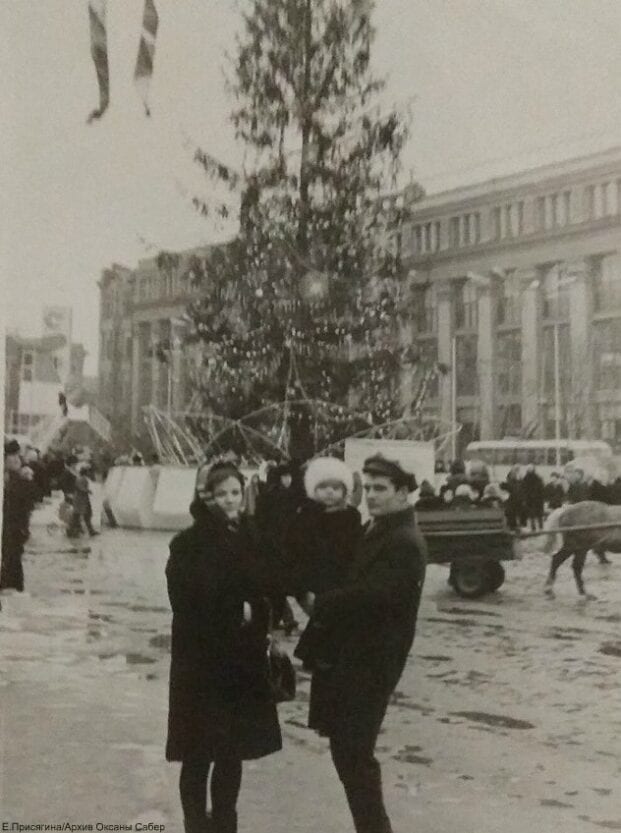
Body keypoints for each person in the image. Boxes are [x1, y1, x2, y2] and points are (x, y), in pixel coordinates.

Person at [295, 454, 427, 833]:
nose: (371, 495)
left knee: (354, 755)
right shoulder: (378, 529)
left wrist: (322, 602)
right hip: (353, 659)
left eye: (381, 489)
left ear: (403, 493)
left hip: (370, 665)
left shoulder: (403, 541)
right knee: (348, 753)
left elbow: (376, 597)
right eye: (366, 488)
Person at [165, 461, 282, 833]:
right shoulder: (189, 542)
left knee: (232, 752)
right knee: (199, 753)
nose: (230, 501)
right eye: (221, 494)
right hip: (202, 664)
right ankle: (196, 824)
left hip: (241, 662)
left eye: (235, 492)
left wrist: (264, 613)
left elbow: (266, 583)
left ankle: (226, 822)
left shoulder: (251, 534)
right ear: (207, 496)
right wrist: (236, 609)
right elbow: (185, 599)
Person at [285, 457, 361, 603]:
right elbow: (293, 551)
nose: (330, 491)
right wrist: (300, 588)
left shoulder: (351, 517)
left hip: (343, 583)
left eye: (336, 487)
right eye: (323, 487)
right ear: (313, 489)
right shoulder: (305, 515)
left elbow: (356, 552)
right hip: (311, 584)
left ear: (345, 491)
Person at [520, 464, 545, 531]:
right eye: (529, 469)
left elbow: (541, 488)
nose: (530, 470)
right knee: (534, 514)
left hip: (535, 499)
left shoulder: (536, 478)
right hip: (532, 500)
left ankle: (539, 527)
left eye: (530, 468)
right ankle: (536, 527)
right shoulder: (527, 478)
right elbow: (523, 489)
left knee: (536, 514)